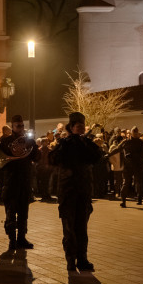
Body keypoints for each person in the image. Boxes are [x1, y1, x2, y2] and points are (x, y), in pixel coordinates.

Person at [50, 112, 104, 271]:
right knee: (69, 228)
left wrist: (87, 142)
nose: (80, 128)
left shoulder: (87, 143)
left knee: (82, 228)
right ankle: (70, 260)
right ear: (71, 127)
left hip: (83, 192)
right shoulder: (65, 144)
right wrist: (63, 143)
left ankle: (82, 259)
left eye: (82, 126)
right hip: (68, 193)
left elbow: (97, 158)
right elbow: (53, 159)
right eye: (77, 126)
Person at [0, 115, 39, 250]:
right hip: (11, 181)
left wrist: (34, 146)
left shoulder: (28, 141)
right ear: (13, 126)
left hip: (25, 181)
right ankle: (12, 240)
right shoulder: (6, 141)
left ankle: (22, 238)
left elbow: (36, 158)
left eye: (22, 125)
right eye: (18, 126)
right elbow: (0, 161)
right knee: (11, 213)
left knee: (23, 213)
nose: (21, 128)